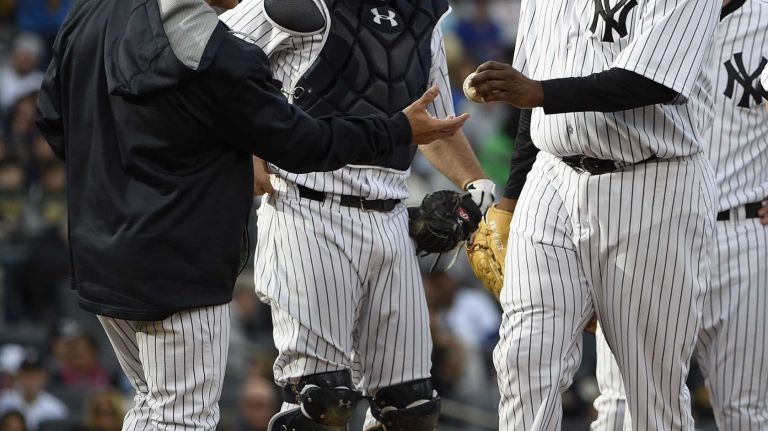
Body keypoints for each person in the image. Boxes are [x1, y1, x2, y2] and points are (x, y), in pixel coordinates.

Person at [34, 1, 468, 431]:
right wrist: (396, 130)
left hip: (102, 251)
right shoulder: (216, 48)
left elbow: (52, 115)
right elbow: (302, 143)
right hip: (179, 254)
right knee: (181, 416)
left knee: (154, 404)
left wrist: (118, 179)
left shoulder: (90, 11)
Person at [220, 0, 495, 429]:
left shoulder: (421, 14)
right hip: (308, 206)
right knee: (320, 402)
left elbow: (435, 124)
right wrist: (243, 145)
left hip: (392, 217)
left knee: (411, 409)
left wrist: (479, 186)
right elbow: (212, 62)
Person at [464, 0, 721, 428]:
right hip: (552, 175)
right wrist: (510, 200)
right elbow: (528, 95)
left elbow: (653, 80)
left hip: (651, 183)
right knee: (522, 356)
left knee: (649, 392)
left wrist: (542, 92)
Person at [591, 0, 768, 429]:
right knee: (621, 401)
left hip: (739, 231)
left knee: (743, 409)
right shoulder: (652, 7)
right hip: (649, 225)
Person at [0, 354, 68, 431]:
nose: (30, 381)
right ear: (18, 376)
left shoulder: (55, 408)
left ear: (44, 377)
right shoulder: (4, 402)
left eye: (35, 376)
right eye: (26, 375)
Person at [0, 34, 44, 117]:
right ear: (14, 56)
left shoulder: (40, 82)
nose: (25, 61)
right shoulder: (2, 74)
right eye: (22, 55)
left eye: (29, 58)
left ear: (36, 61)